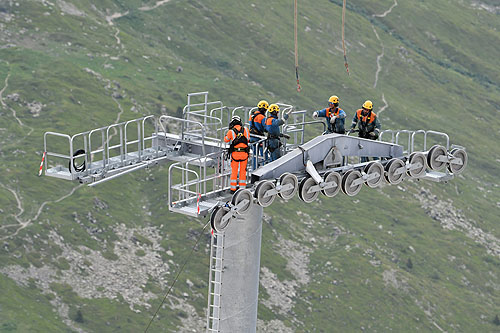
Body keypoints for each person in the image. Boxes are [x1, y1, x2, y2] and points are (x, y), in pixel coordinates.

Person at [224, 115, 250, 193]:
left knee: (234, 171)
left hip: (235, 154)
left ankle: (233, 189)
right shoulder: (246, 129)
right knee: (243, 171)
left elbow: (226, 140)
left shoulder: (231, 131)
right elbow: (248, 139)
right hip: (244, 154)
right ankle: (242, 188)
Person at [249, 100, 268, 169]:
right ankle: (265, 168)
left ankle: (254, 169)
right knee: (264, 153)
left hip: (251, 136)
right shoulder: (262, 117)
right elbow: (266, 127)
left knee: (254, 154)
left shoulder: (252, 115)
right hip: (259, 138)